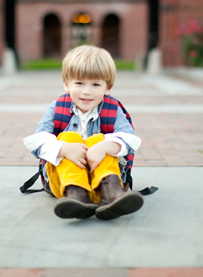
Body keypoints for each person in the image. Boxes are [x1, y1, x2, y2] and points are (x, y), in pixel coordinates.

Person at [23, 45, 144, 220]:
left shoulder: (113, 109)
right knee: (69, 137)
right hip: (64, 187)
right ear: (67, 84)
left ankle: (111, 194)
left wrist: (104, 147)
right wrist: (64, 149)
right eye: (79, 83)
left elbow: (130, 140)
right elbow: (36, 142)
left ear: (107, 87)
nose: (86, 91)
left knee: (100, 140)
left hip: (100, 185)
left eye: (95, 84)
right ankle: (76, 195)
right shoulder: (57, 108)